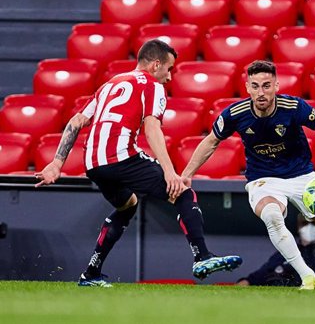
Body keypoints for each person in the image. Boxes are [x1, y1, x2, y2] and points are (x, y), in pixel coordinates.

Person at [34, 39, 242, 287]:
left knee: (128, 204)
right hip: (120, 156)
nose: (169, 76)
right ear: (156, 65)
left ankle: (91, 274)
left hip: (93, 163)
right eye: (169, 68)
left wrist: (57, 163)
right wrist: (169, 172)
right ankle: (202, 257)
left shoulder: (111, 84)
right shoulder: (152, 86)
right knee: (183, 193)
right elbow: (152, 127)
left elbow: (76, 121)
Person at [181, 60, 315, 291]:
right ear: (247, 87)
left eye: (266, 86)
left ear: (276, 85)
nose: (261, 92)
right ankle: (307, 276)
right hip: (263, 180)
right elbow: (211, 141)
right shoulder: (236, 114)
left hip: (302, 177)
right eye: (255, 86)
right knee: (272, 216)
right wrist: (187, 174)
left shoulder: (294, 107)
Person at [237, 215, 315, 288]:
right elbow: (254, 279)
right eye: (304, 224)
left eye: (313, 224)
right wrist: (243, 284)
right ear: (298, 227)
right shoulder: (286, 252)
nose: (309, 228)